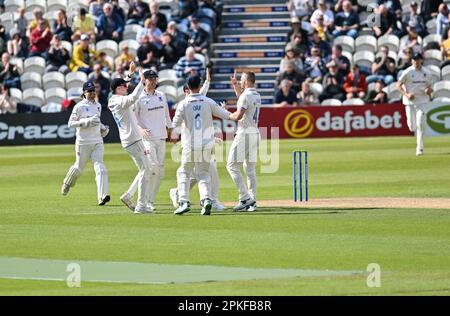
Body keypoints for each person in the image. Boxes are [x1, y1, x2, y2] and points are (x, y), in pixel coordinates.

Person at [170, 74, 233, 215]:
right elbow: (227, 115)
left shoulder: (183, 104)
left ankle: (184, 201)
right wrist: (239, 114)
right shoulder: (208, 101)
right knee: (203, 173)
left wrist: (172, 136)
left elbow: (174, 126)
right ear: (199, 86)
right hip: (206, 144)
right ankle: (206, 200)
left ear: (187, 87)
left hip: (190, 145)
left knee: (184, 172)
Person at [108, 62, 154, 214]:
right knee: (146, 170)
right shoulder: (118, 100)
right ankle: (141, 206)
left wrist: (130, 74)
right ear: (117, 89)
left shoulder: (115, 97)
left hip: (131, 140)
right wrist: (141, 81)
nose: (126, 87)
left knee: (145, 169)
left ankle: (129, 196)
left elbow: (123, 86)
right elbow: (133, 97)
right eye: (124, 86)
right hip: (132, 140)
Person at [126, 70, 173, 211]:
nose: (153, 81)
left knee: (160, 172)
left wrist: (171, 130)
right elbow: (133, 118)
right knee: (151, 168)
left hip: (161, 137)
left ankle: (150, 201)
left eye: (155, 78)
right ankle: (143, 201)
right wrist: (139, 130)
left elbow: (167, 115)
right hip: (147, 139)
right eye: (150, 78)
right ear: (144, 80)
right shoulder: (139, 97)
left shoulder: (161, 95)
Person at [61, 81, 110, 206]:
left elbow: (96, 122)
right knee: (78, 168)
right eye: (89, 91)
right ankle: (67, 183)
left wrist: (103, 128)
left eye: (93, 91)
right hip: (83, 142)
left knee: (101, 168)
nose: (92, 93)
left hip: (97, 141)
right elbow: (70, 123)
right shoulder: (79, 106)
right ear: (84, 93)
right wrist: (87, 121)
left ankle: (102, 196)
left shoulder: (98, 106)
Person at [226, 71, 261, 212]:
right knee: (249, 169)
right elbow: (243, 100)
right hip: (255, 133)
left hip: (244, 134)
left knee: (232, 166)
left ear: (246, 81)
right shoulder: (256, 95)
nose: (240, 81)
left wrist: (227, 114)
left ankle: (245, 198)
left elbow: (239, 114)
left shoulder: (246, 96)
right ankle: (252, 201)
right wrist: (235, 86)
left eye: (241, 80)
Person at [396, 53, 434, 156]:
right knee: (412, 127)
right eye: (414, 59)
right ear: (412, 61)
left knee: (420, 124)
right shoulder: (407, 72)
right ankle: (417, 139)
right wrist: (406, 94)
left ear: (421, 60)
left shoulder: (427, 72)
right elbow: (398, 85)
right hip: (410, 102)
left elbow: (431, 87)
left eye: (417, 59)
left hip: (422, 102)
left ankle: (420, 148)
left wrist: (428, 90)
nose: (416, 62)